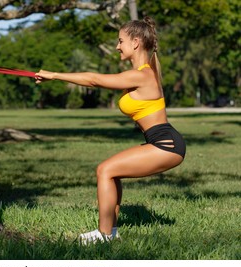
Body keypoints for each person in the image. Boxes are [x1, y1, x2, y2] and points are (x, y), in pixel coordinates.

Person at [35, 16, 186, 245]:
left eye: (120, 41)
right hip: (161, 142)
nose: (117, 46)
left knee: (105, 170)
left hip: (166, 145)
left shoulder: (142, 75)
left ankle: (103, 235)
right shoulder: (140, 74)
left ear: (135, 42)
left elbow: (95, 80)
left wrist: (54, 75)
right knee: (111, 172)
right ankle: (110, 233)